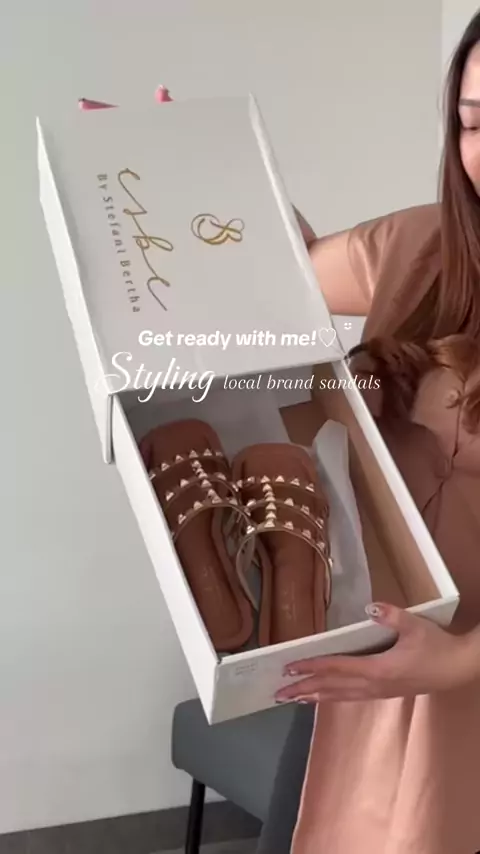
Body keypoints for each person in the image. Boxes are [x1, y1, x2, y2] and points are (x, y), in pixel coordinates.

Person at [270, 8, 480, 854]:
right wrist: (183, 175)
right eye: (474, 122)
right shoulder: (421, 245)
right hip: (362, 650)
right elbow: (274, 264)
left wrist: (459, 662)